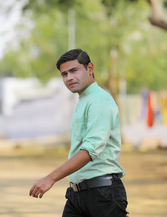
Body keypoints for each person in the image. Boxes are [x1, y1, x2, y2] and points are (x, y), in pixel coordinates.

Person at [29, 49, 128, 217]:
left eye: (74, 70)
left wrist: (51, 178)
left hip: (103, 194)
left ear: (90, 68)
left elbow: (90, 150)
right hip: (77, 194)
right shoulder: (84, 100)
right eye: (64, 74)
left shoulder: (99, 101)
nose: (69, 78)